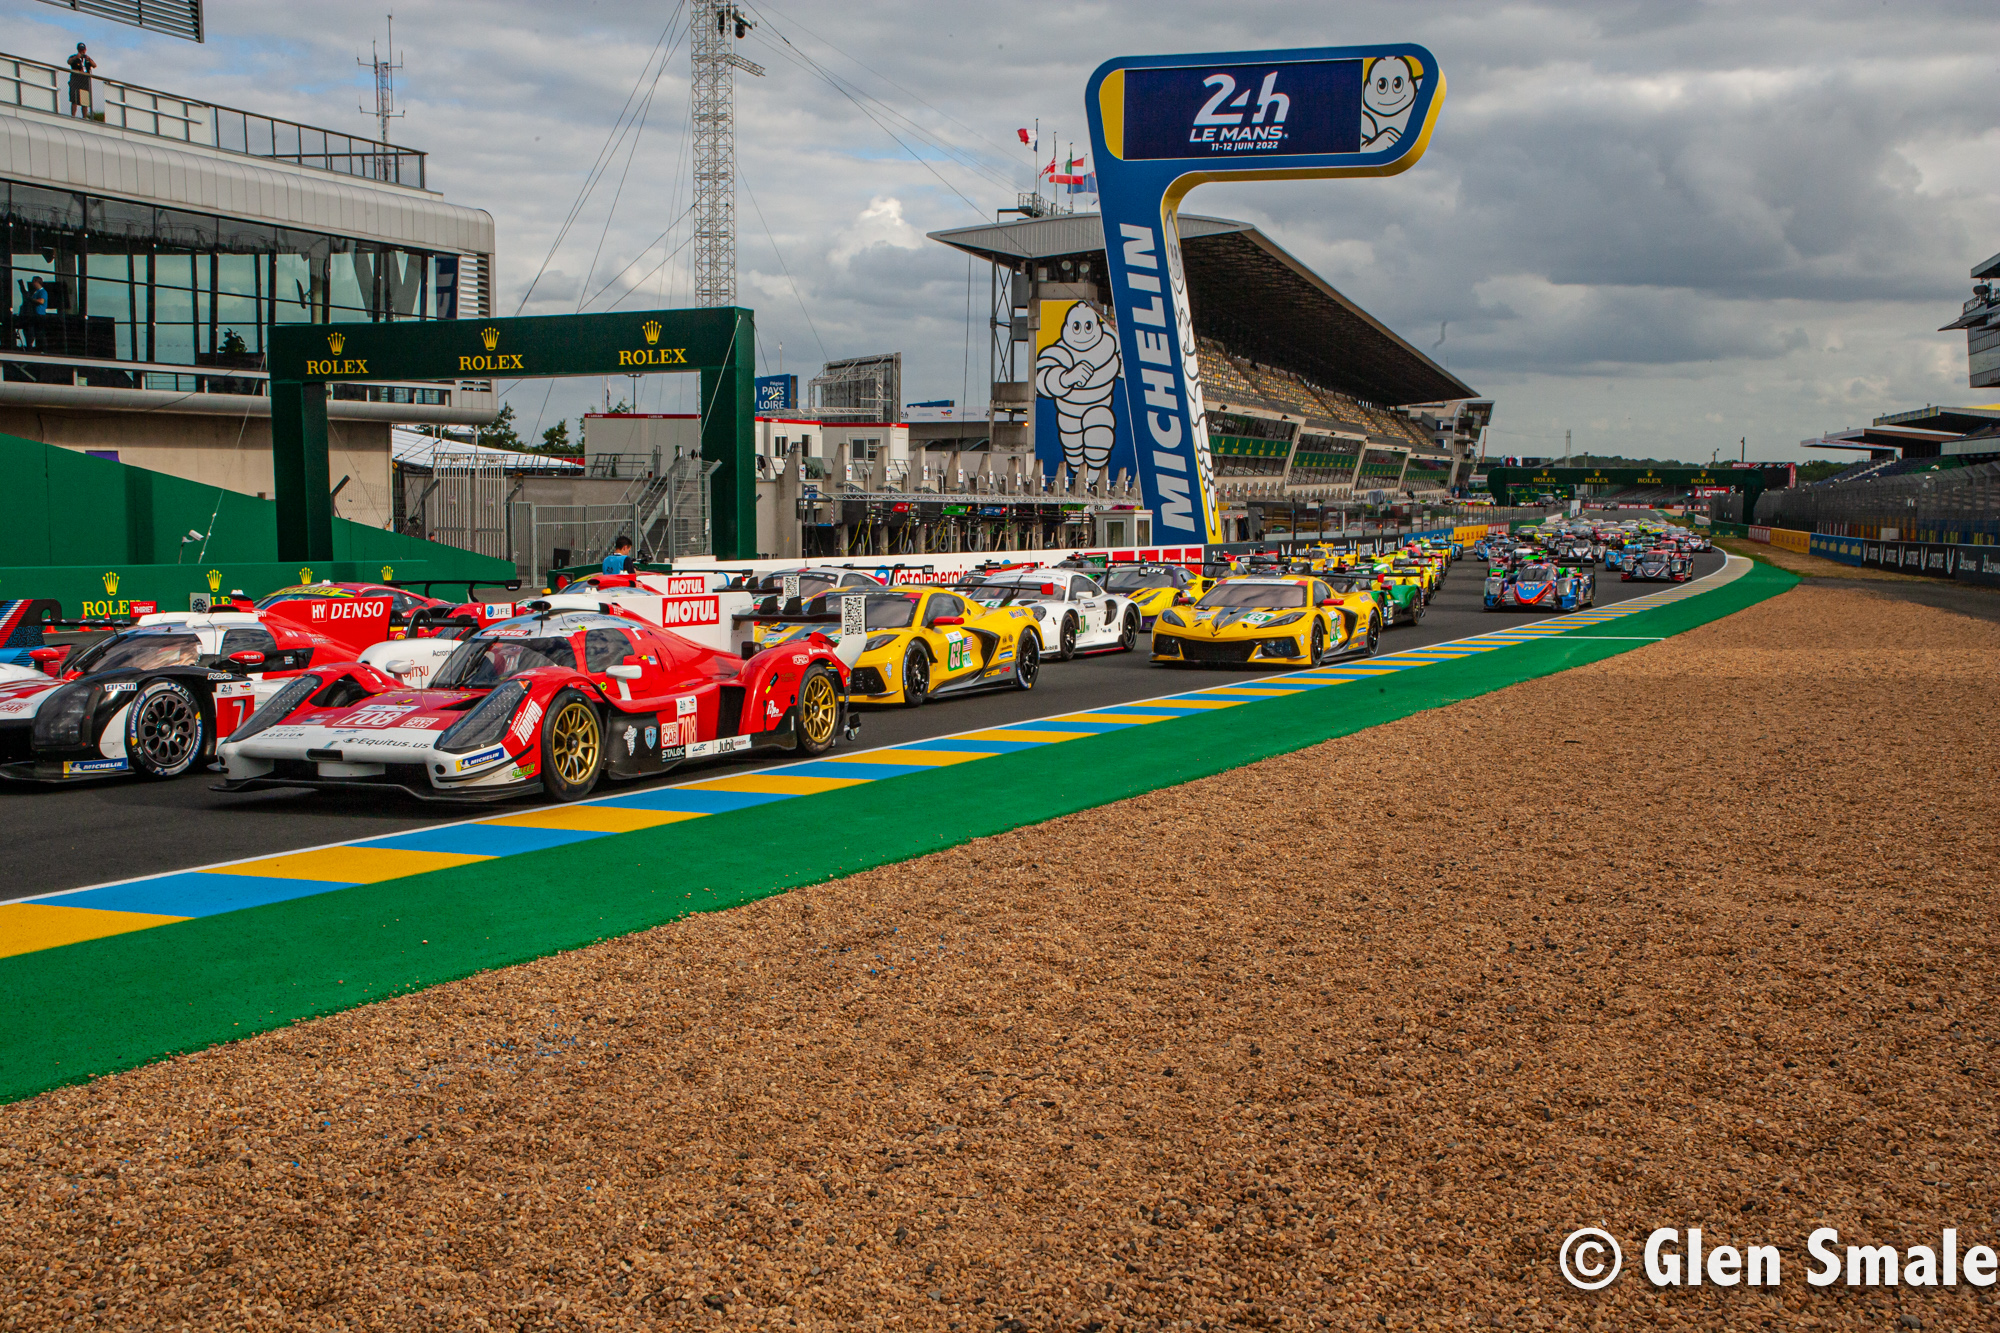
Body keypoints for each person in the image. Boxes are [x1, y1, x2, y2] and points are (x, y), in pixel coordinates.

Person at [66, 44, 96, 119]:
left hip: (85, 81)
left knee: (84, 100)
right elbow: (69, 62)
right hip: (75, 80)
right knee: (74, 99)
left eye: (83, 50)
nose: (82, 51)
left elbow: (94, 65)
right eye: (80, 50)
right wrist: (77, 57)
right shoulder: (74, 57)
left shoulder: (87, 59)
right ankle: (73, 116)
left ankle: (84, 117)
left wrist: (88, 59)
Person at [17, 277, 47, 348]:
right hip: (34, 316)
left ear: (37, 282)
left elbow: (41, 301)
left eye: (33, 282)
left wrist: (31, 299)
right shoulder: (35, 293)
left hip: (39, 315)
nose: (32, 284)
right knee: (31, 332)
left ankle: (40, 348)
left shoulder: (42, 292)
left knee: (38, 333)